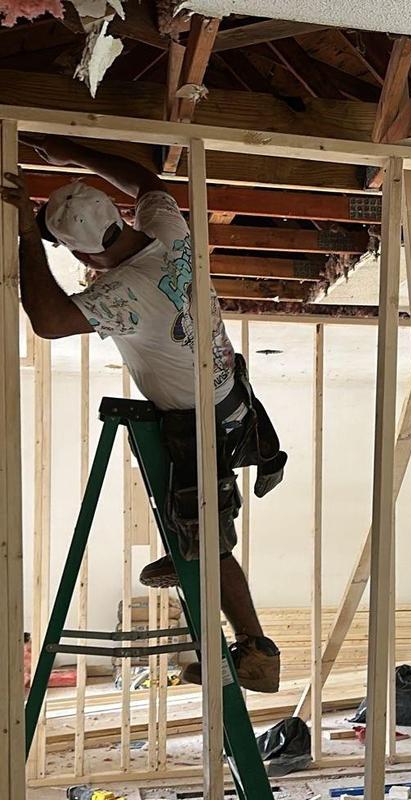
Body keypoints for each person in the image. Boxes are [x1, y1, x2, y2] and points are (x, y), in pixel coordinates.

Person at [1, 136, 285, 693]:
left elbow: (50, 320)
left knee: (207, 544)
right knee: (197, 531)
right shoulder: (169, 234)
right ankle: (189, 566)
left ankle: (256, 653)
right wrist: (71, 152)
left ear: (81, 256)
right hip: (230, 402)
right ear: (117, 216)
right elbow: (149, 184)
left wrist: (26, 236)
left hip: (199, 422)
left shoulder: (124, 291)